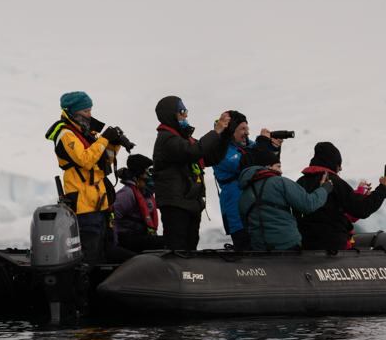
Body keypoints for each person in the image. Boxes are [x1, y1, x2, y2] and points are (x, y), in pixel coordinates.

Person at [44, 91, 135, 263]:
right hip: (83, 205)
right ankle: (86, 287)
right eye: (85, 111)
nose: (89, 115)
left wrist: (114, 144)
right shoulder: (66, 134)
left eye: (90, 110)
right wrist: (103, 139)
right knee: (90, 255)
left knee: (105, 250)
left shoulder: (86, 133)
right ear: (73, 112)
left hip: (100, 203)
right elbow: (85, 160)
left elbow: (103, 161)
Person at [152, 95, 231, 250]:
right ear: (171, 115)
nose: (186, 115)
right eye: (181, 111)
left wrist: (224, 137)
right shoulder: (166, 139)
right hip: (175, 204)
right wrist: (215, 131)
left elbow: (211, 157)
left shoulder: (185, 140)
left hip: (190, 203)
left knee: (190, 247)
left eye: (186, 111)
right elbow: (194, 152)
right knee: (178, 249)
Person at [295, 142, 386, 251]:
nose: (340, 169)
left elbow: (330, 208)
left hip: (306, 246)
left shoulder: (300, 183)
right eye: (339, 165)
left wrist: (358, 195)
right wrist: (383, 188)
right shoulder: (333, 182)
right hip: (332, 248)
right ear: (332, 163)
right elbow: (361, 209)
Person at [237, 144, 334, 251]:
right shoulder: (280, 182)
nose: (281, 171)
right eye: (278, 166)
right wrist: (324, 189)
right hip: (287, 246)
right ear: (268, 167)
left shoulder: (243, 195)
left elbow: (247, 226)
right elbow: (308, 204)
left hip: (260, 250)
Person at [212, 111, 285, 250]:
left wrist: (273, 149)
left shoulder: (249, 146)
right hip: (236, 210)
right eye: (242, 129)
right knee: (245, 250)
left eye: (247, 128)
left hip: (256, 210)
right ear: (231, 131)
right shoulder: (220, 150)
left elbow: (268, 164)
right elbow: (246, 163)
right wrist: (263, 143)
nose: (247, 132)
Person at [112, 153, 166, 252]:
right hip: (126, 238)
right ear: (138, 175)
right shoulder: (127, 194)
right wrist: (115, 244)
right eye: (146, 172)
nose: (149, 176)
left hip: (141, 235)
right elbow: (112, 217)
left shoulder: (146, 194)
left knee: (173, 240)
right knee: (166, 243)